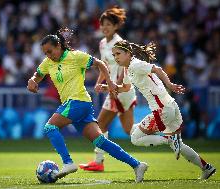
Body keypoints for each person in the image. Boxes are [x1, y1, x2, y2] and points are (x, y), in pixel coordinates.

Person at [27, 28, 148, 183]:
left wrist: (109, 83)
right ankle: (137, 165)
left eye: (50, 51)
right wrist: (32, 81)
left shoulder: (75, 56)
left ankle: (68, 163)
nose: (48, 56)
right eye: (45, 54)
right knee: (100, 142)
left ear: (58, 46)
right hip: (78, 105)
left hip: (77, 101)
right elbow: (38, 74)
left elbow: (101, 64)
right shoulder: (48, 62)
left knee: (50, 128)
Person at [99, 40, 216, 180]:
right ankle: (206, 167)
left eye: (118, 53)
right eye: (113, 55)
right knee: (179, 145)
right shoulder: (127, 68)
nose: (115, 57)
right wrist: (109, 87)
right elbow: (126, 88)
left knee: (135, 138)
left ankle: (168, 139)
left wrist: (170, 84)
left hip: (162, 110)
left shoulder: (136, 65)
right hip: (170, 107)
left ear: (128, 53)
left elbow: (157, 69)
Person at [79, 7, 137, 172]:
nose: (104, 27)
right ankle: (162, 133)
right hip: (117, 90)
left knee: (100, 124)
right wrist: (99, 82)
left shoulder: (119, 43)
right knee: (130, 131)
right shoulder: (103, 43)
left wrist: (114, 87)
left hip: (120, 89)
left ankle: (99, 161)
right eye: (102, 24)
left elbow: (123, 68)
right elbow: (104, 66)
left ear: (116, 26)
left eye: (108, 24)